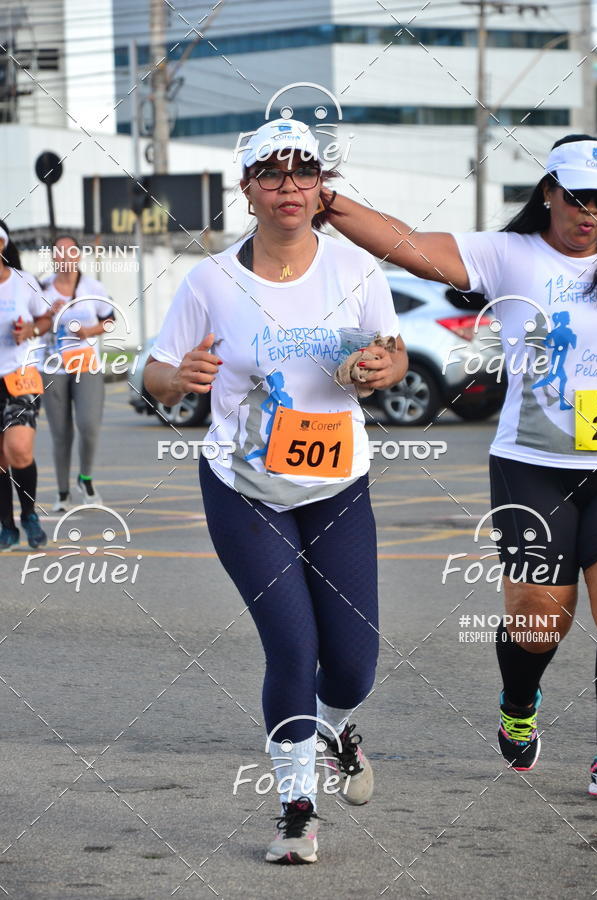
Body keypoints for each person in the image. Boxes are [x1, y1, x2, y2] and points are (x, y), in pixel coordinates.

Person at [144, 119, 408, 863]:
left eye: (303, 173)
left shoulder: (357, 273)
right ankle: (297, 810)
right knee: (292, 646)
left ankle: (335, 723)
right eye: (272, 173)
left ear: (322, 187)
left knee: (353, 663)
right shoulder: (211, 281)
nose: (288, 186)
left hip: (338, 486)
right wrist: (179, 379)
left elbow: (389, 353)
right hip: (244, 487)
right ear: (247, 189)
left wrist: (382, 368)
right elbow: (155, 372)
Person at [320, 133, 597, 789]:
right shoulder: (511, 255)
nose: (591, 213)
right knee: (540, 621)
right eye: (579, 197)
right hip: (533, 467)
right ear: (550, 194)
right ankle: (519, 705)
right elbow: (409, 246)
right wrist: (327, 202)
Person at [39, 235, 114, 510]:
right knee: (60, 432)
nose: (65, 257)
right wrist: (48, 316)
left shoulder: (93, 287)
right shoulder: (42, 288)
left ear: (78, 256)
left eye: (71, 251)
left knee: (89, 425)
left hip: (86, 364)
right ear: (53, 258)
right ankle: (62, 492)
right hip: (52, 366)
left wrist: (89, 332)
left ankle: (85, 478)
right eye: (59, 252)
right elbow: (33, 327)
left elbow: (110, 322)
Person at [0, 219, 52, 550]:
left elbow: (46, 318)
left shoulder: (23, 282)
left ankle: (29, 514)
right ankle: (6, 524)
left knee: (18, 449)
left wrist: (29, 329)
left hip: (20, 375)